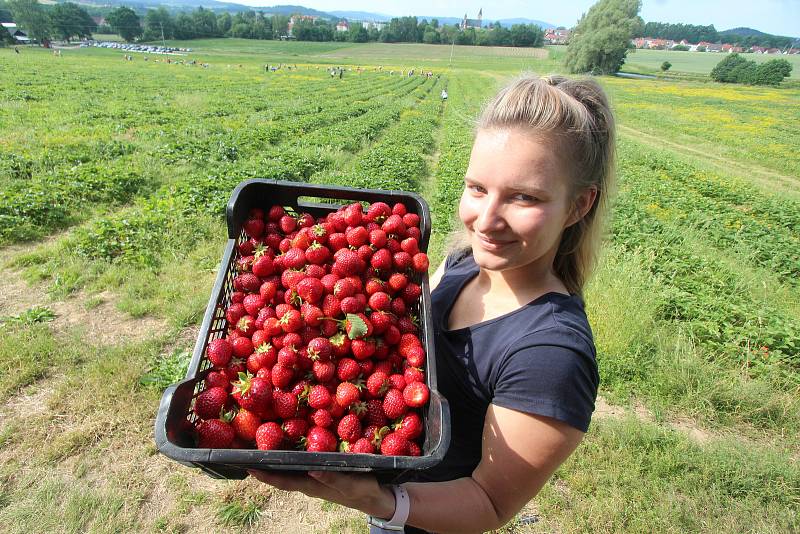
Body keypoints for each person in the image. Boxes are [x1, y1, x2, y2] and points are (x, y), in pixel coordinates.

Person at [248, 74, 614, 533]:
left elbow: (489, 503)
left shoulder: (551, 356)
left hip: (426, 516)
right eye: (478, 188)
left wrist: (384, 502)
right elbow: (405, 329)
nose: (486, 219)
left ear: (579, 205)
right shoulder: (464, 261)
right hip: (389, 476)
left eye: (524, 197)